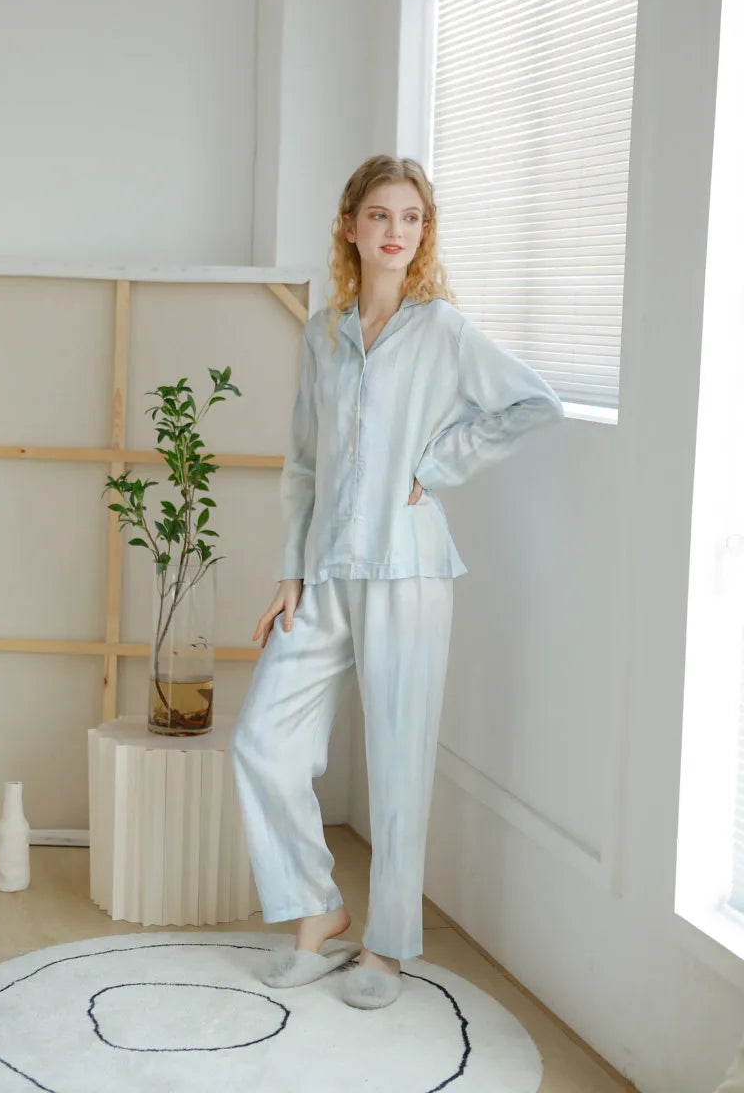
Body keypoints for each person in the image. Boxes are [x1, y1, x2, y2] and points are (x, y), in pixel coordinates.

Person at [231, 153, 565, 1010]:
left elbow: (532, 403)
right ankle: (317, 912)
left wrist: (438, 462)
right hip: (329, 573)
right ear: (350, 226)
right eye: (380, 215)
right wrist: (289, 570)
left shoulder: (443, 331)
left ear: (424, 232)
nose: (395, 232)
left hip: (411, 569)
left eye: (411, 218)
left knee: (400, 762)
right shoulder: (323, 330)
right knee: (261, 740)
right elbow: (303, 464)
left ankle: (387, 949)